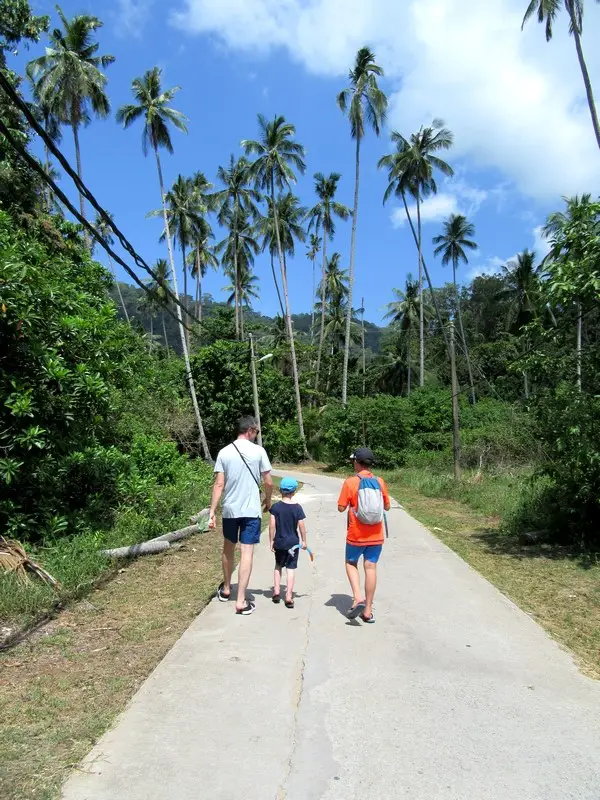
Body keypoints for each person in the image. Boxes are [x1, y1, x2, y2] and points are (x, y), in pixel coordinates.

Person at [209, 416, 273, 616]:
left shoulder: (224, 452)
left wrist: (212, 511)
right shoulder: (259, 451)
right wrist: (268, 500)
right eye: (257, 432)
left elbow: (219, 484)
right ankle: (241, 600)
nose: (257, 436)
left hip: (230, 510)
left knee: (228, 547)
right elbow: (268, 482)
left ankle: (227, 589)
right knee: (247, 552)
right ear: (251, 430)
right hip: (251, 511)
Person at [337, 447, 390, 623]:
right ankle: (367, 611)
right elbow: (387, 507)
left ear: (357, 463)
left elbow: (341, 507)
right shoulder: (380, 481)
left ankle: (358, 597)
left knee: (351, 563)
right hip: (376, 534)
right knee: (371, 567)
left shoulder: (350, 482)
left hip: (356, 535)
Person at [269, 477, 307, 609]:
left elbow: (272, 526)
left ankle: (276, 591)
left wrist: (271, 540)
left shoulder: (275, 507)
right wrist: (304, 541)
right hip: (293, 543)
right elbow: (301, 526)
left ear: (280, 490)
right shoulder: (297, 508)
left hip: (279, 541)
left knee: (278, 566)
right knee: (290, 568)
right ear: (294, 491)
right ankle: (289, 596)